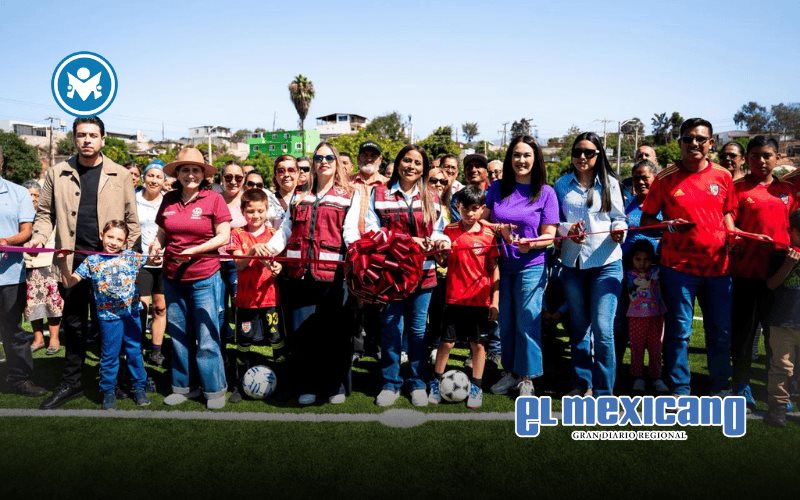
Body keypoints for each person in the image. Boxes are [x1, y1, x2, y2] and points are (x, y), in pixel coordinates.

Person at [30, 116, 140, 410]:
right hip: (73, 264)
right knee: (75, 325)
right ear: (74, 139)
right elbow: (44, 214)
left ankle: (116, 381)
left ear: (103, 138)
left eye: (93, 135)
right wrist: (39, 238)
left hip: (111, 267)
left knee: (112, 326)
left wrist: (123, 263)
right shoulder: (57, 172)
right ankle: (72, 381)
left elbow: (133, 222)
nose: (87, 140)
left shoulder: (121, 174)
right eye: (81, 135)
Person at [344, 144, 450, 407]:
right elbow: (373, 232)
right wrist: (412, 242)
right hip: (390, 275)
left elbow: (438, 229)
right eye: (407, 160)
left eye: (417, 163)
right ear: (398, 162)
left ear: (424, 168)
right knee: (391, 329)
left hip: (424, 274)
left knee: (417, 331)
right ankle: (390, 383)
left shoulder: (432, 196)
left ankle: (417, 382)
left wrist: (440, 241)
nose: (411, 166)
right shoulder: (378, 193)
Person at [641, 118, 737, 397]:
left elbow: (728, 213)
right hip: (678, 269)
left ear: (710, 143)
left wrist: (732, 236)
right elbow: (648, 219)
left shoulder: (723, 176)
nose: (694, 143)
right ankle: (679, 389)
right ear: (680, 142)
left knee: (720, 332)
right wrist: (668, 225)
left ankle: (721, 386)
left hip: (719, 268)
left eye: (700, 139)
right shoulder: (665, 178)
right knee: (679, 333)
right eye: (688, 138)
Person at [267, 142, 354, 405]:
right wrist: (269, 248)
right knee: (302, 337)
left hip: (333, 277)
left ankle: (334, 386)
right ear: (313, 163)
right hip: (299, 277)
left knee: (334, 335)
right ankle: (307, 385)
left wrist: (358, 254)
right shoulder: (299, 195)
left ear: (336, 162)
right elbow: (285, 230)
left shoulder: (349, 195)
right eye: (319, 157)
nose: (324, 161)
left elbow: (350, 233)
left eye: (329, 157)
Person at [150, 147, 231, 410]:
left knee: (207, 336)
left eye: (196, 169)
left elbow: (224, 236)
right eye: (185, 170)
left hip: (204, 276)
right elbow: (163, 231)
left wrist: (195, 251)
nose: (191, 174)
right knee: (179, 333)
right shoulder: (169, 199)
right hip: (172, 276)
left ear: (203, 174)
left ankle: (214, 389)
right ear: (177, 174)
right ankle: (183, 387)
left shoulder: (214, 199)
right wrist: (155, 244)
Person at [555, 132, 627, 397]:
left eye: (589, 152)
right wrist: (567, 228)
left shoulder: (610, 183)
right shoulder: (561, 184)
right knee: (579, 326)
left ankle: (603, 391)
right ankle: (580, 382)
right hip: (573, 265)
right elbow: (555, 224)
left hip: (606, 262)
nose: (582, 157)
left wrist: (619, 230)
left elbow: (620, 218)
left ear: (599, 155)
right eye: (577, 152)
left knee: (603, 328)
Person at [729, 136, 794, 410]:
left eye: (767, 155)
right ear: (747, 158)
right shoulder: (738, 189)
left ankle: (774, 387)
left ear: (777, 157)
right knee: (744, 333)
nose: (761, 161)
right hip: (746, 272)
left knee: (776, 336)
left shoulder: (788, 191)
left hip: (780, 275)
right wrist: (739, 240)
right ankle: (741, 383)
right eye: (755, 156)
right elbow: (729, 223)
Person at [63, 220, 151, 410]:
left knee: (134, 351)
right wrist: (63, 263)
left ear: (125, 242)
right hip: (108, 317)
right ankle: (108, 390)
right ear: (102, 235)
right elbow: (70, 282)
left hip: (131, 314)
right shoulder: (92, 260)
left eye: (119, 239)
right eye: (110, 236)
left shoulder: (131, 257)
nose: (114, 242)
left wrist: (157, 254)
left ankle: (138, 387)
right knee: (110, 355)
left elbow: (154, 260)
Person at [429, 185, 499, 409]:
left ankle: (476, 386)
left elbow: (494, 269)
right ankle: (435, 381)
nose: (469, 213)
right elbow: (443, 263)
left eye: (474, 209)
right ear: (458, 207)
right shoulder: (449, 231)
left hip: (479, 301)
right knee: (447, 343)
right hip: (453, 299)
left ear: (482, 210)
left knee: (477, 345)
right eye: (465, 208)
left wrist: (495, 301)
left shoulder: (489, 235)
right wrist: (439, 255)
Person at [227, 188, 283, 403]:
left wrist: (278, 268)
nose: (256, 216)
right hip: (246, 301)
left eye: (260, 211)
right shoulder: (238, 234)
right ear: (243, 211)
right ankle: (240, 385)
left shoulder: (273, 235)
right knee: (244, 342)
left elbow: (279, 264)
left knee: (277, 341)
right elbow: (239, 265)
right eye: (251, 211)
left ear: (267, 210)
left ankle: (282, 381)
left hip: (270, 299)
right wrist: (252, 251)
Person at [0, 160, 46, 397]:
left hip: (9, 276)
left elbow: (26, 231)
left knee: (13, 330)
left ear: (1, 161)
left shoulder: (18, 192)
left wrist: (6, 242)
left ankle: (19, 379)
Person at [764, 209, 800, 426]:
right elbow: (771, 284)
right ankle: (777, 407)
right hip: (782, 321)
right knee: (781, 367)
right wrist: (788, 264)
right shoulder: (780, 255)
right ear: (792, 231)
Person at [22, 180, 62, 355]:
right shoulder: (20, 214)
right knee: (31, 304)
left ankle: (54, 338)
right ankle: (38, 338)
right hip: (27, 264)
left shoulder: (47, 214)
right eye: (29, 195)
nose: (33, 199)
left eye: (36, 195)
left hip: (48, 263)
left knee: (52, 302)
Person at [135, 160, 168, 366]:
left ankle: (156, 349)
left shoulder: (169, 201)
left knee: (160, 308)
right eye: (151, 176)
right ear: (143, 177)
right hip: (141, 262)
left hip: (163, 262)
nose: (154, 180)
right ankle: (137, 345)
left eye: (158, 177)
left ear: (164, 181)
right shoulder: (133, 199)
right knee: (141, 307)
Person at [625, 240, 668, 393]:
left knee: (656, 348)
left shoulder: (656, 272)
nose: (642, 263)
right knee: (637, 347)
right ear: (632, 259)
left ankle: (656, 377)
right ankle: (638, 377)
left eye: (646, 259)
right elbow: (634, 291)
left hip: (656, 316)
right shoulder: (630, 275)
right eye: (638, 259)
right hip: (636, 317)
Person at [219, 162, 248, 341]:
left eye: (238, 177)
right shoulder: (214, 199)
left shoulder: (248, 200)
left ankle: (243, 348)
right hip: (215, 262)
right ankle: (221, 349)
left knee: (240, 306)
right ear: (222, 178)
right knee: (219, 308)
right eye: (228, 177)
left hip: (239, 262)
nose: (233, 181)